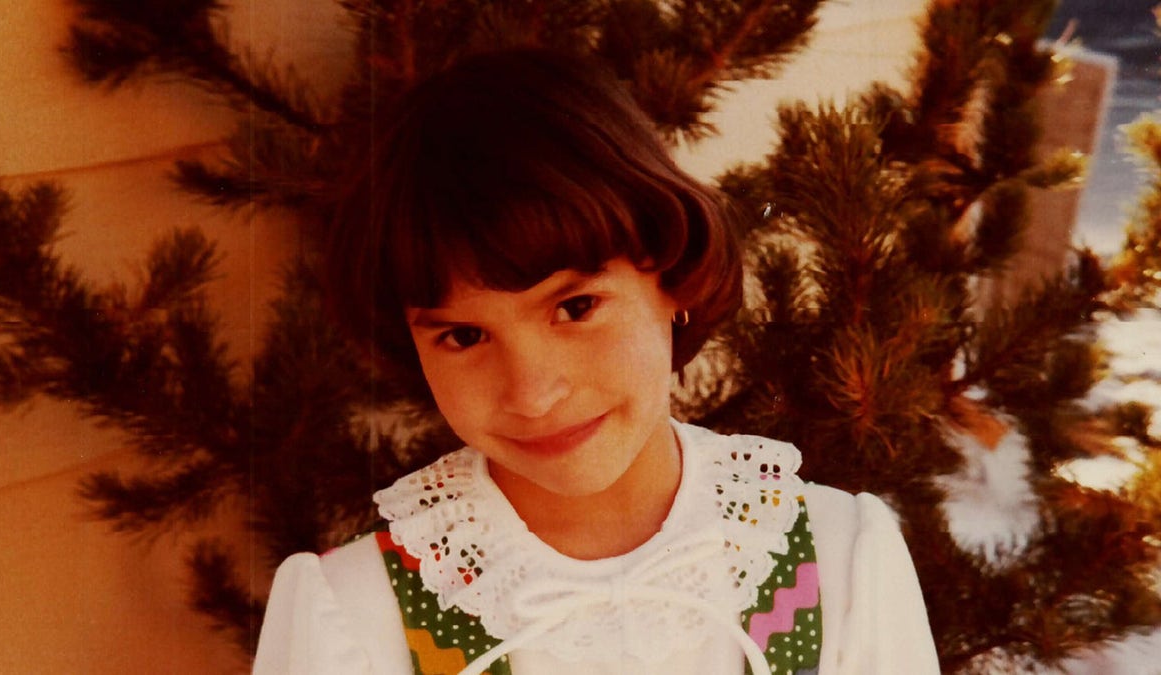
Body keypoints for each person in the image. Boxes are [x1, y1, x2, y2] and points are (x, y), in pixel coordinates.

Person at [253, 48, 939, 675]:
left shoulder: (836, 560)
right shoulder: (354, 611)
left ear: (671, 276)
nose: (533, 391)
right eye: (463, 336)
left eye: (576, 307)